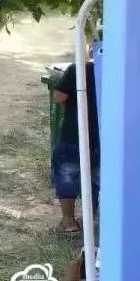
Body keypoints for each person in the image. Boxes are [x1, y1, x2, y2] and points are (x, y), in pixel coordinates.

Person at [51, 61, 99, 234]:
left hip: (75, 133)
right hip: (104, 137)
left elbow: (59, 97)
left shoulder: (79, 68)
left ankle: (68, 222)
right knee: (97, 179)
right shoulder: (124, 68)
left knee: (67, 176)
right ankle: (89, 219)